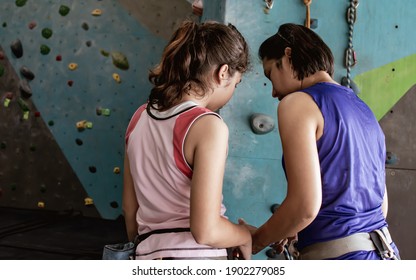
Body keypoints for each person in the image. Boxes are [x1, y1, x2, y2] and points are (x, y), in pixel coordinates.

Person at [241, 23, 400, 260]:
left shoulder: (297, 103)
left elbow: (305, 206)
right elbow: (380, 206)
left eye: (270, 75)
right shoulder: (363, 109)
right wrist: (294, 226)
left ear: (287, 55)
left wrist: (255, 241)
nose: (273, 92)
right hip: (384, 254)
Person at [122, 20, 252, 260]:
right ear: (223, 73)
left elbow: (130, 210)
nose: (232, 92)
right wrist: (244, 235)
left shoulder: (138, 117)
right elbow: (206, 230)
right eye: (236, 83)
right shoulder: (208, 125)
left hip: (146, 253)